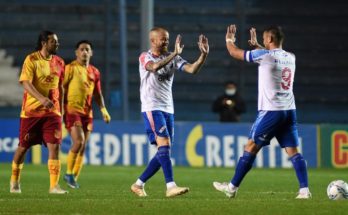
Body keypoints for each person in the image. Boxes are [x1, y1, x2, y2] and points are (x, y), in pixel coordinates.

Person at [213, 25, 311, 199]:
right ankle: (304, 191)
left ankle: (231, 188)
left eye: (264, 38)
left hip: (271, 111)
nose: (263, 41)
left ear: (270, 39)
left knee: (250, 146)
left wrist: (229, 39)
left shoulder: (265, 55)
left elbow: (234, 53)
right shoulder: (290, 57)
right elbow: (271, 57)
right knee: (293, 151)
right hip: (289, 110)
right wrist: (258, 45)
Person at [131, 27, 209, 197]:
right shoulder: (145, 56)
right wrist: (174, 54)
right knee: (164, 146)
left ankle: (138, 184)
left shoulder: (173, 57)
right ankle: (170, 186)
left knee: (164, 151)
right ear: (152, 41)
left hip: (168, 108)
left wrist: (203, 55)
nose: (166, 41)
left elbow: (192, 69)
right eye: (163, 39)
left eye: (167, 38)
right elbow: (154, 67)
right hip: (152, 107)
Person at [10, 30, 68, 194]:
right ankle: (14, 180)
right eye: (53, 41)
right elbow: (26, 83)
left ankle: (54, 186)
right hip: (31, 112)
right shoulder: (31, 59)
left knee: (54, 147)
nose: (57, 44)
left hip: (52, 113)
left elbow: (60, 87)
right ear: (44, 43)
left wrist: (61, 111)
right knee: (22, 148)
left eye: (57, 42)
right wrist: (41, 99)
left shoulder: (60, 62)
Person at [63, 40, 111, 189]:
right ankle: (68, 174)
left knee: (82, 147)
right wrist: (59, 110)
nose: (84, 52)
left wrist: (103, 109)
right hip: (72, 110)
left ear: (91, 53)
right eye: (81, 49)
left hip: (87, 113)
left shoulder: (95, 72)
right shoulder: (69, 68)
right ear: (76, 52)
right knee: (79, 141)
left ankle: (73, 179)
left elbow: (97, 93)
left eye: (87, 49)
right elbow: (60, 89)